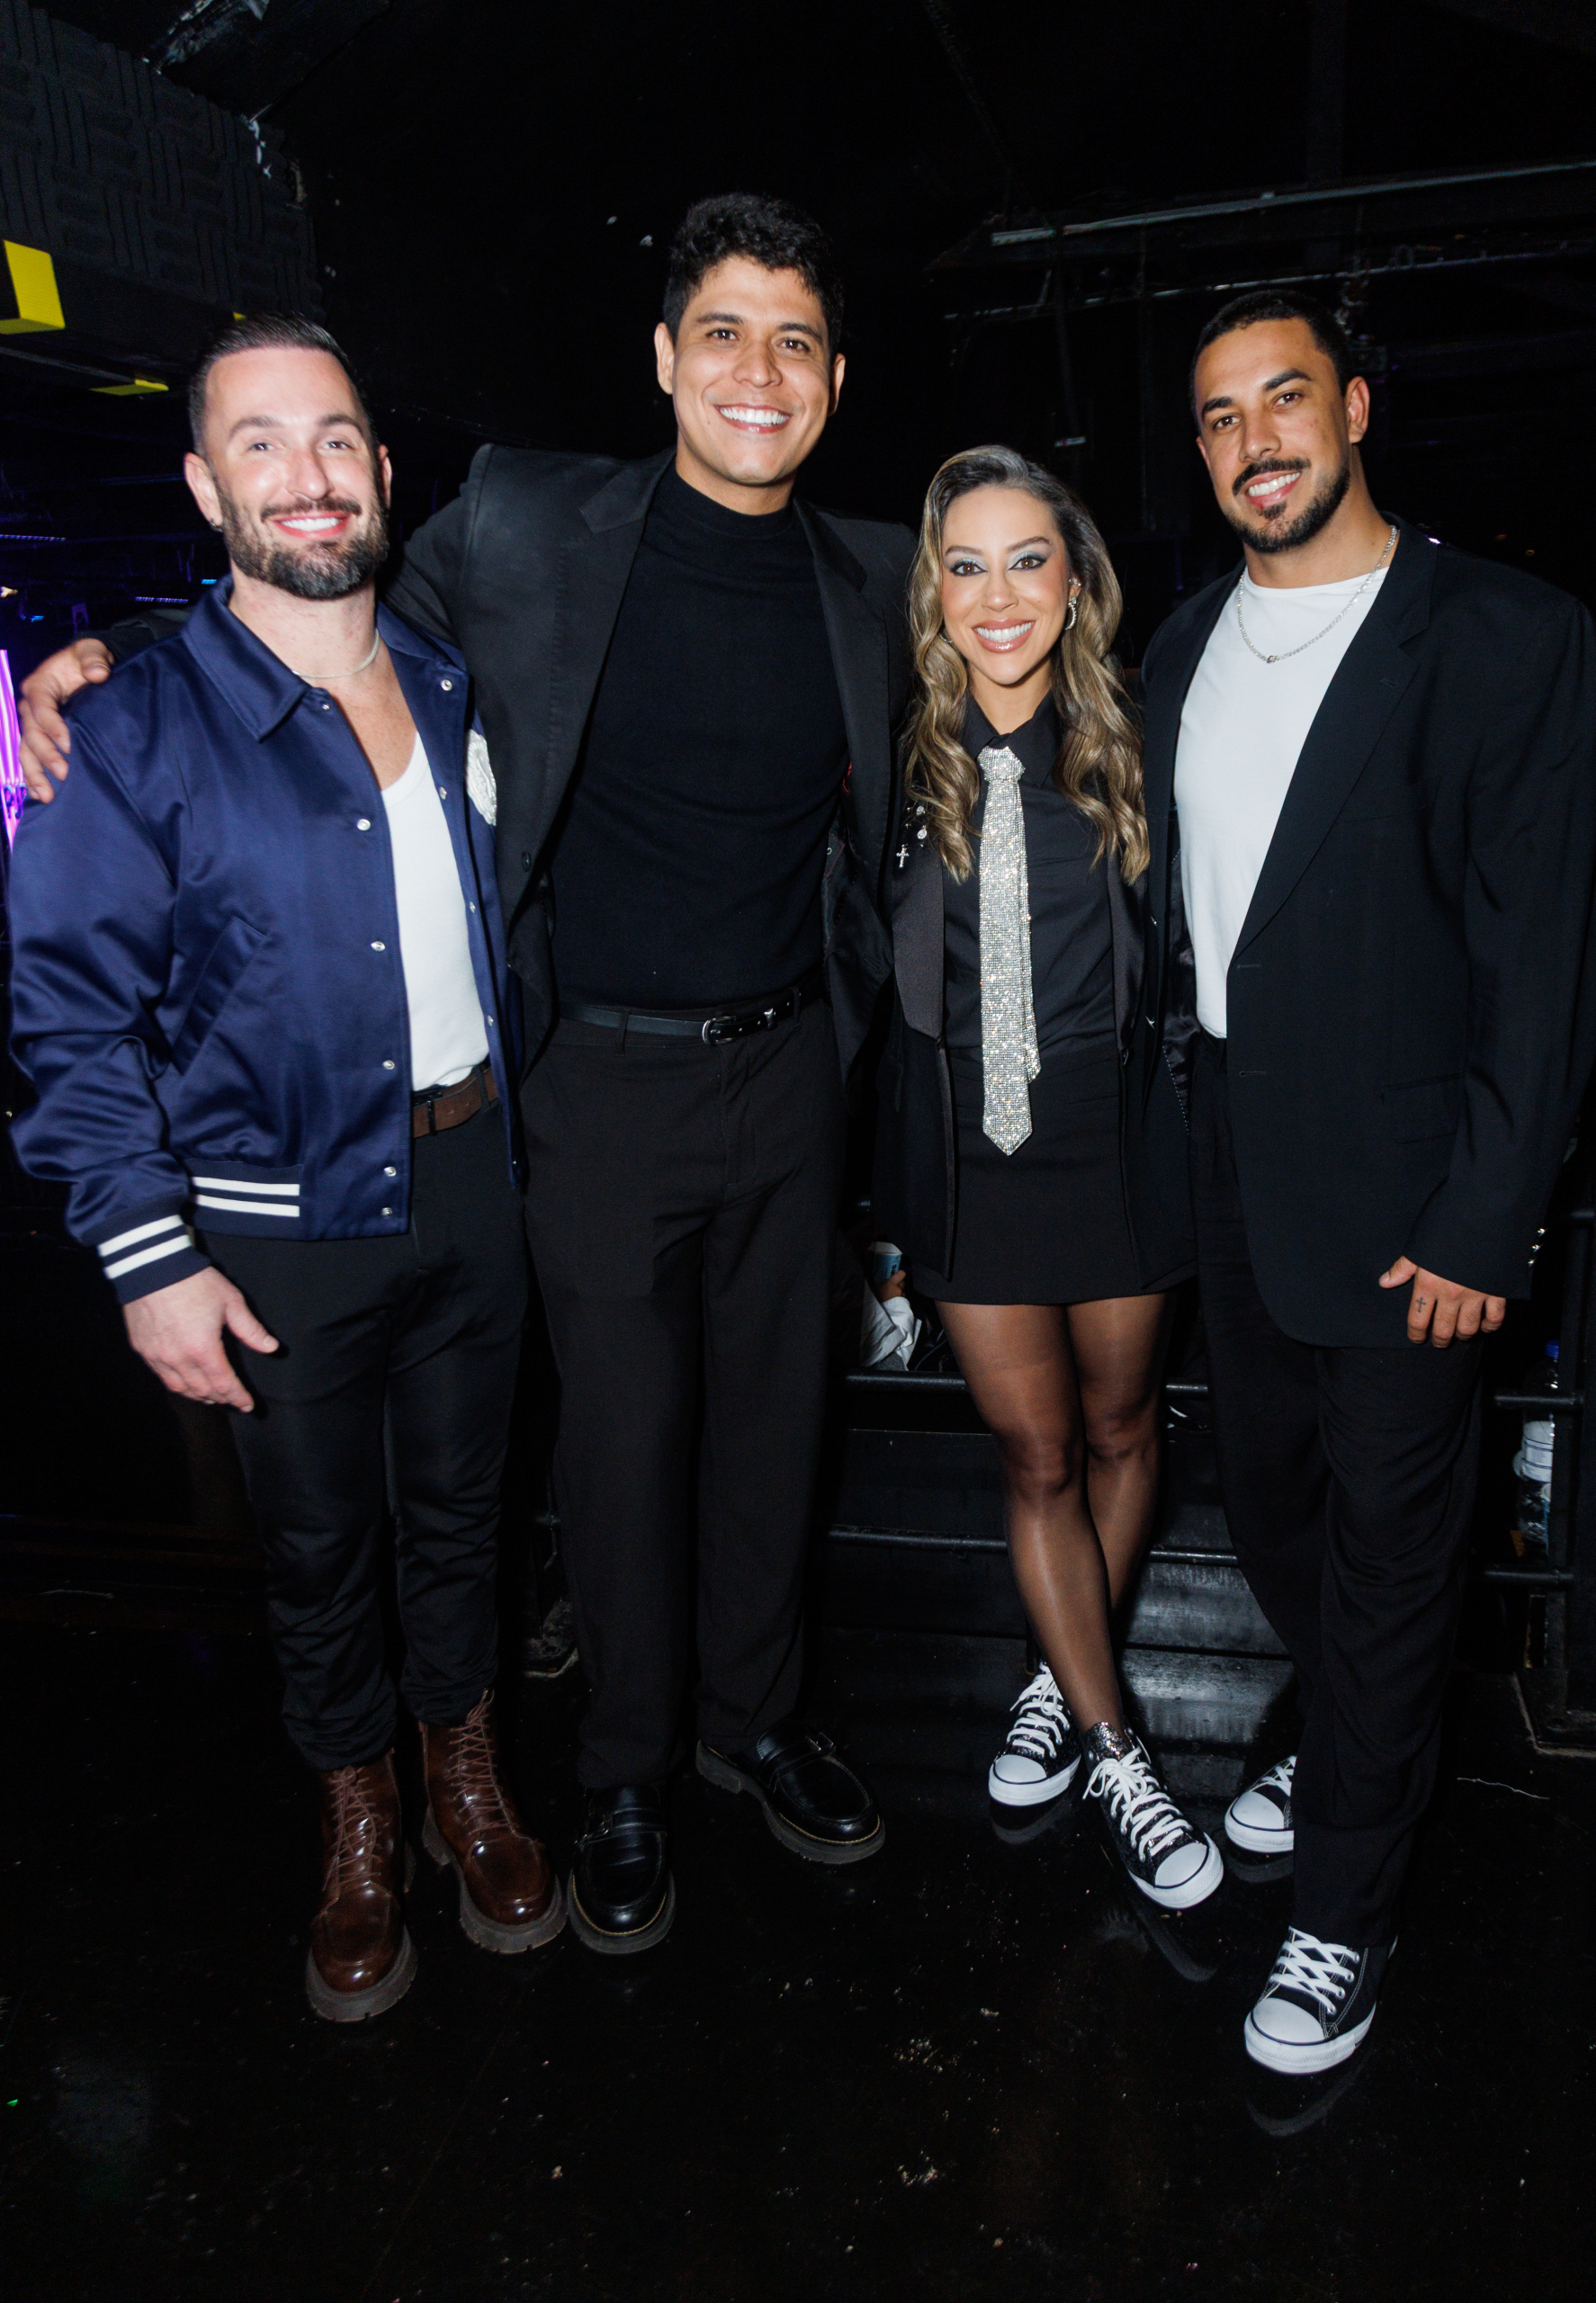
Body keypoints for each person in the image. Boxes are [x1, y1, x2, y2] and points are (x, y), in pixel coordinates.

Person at [19, 195, 906, 1954]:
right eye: (722, 332)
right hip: (591, 1086)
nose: (757, 371)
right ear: (663, 358)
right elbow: (298, 599)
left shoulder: (876, 576)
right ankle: (626, 1771)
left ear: (831, 377)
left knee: (770, 1436)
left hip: (788, 1071)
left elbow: (1022, 670)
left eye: (794, 340)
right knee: (619, 1454)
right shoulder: (523, 524)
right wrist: (112, 651)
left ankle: (752, 1719)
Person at [7, 316, 563, 2021]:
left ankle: (465, 1776)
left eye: (332, 439)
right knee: (320, 1549)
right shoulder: (134, 725)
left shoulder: (453, 678)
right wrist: (145, 1258)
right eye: (259, 443)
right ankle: (356, 1818)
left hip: (474, 1185)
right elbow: (67, 1016)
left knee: (463, 1519)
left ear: (381, 470)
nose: (305, 475)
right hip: (271, 1225)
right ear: (204, 486)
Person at [1140, 288, 1596, 2070]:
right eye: (1216, 416)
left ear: (1351, 407)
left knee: (1395, 1558)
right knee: (1270, 1514)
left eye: (1282, 399)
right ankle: (1336, 1733)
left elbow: (1541, 957)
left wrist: (1487, 1212)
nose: (1251, 441)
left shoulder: (1505, 636)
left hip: (1415, 1201)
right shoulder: (1180, 646)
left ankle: (1342, 1905)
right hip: (1227, 1167)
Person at [872, 446, 1219, 1909]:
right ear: (932, 592)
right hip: (967, 1158)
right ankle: (1113, 1744)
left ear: (1074, 582)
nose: (998, 594)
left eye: (1028, 560)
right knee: (1035, 1457)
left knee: (1125, 1426)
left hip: (1116, 1136)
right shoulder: (887, 752)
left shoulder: (1144, 737)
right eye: (966, 565)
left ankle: (1057, 1670)